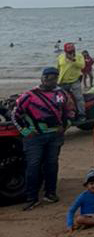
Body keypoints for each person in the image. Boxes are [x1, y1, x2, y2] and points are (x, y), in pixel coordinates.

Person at [12, 67, 72, 210]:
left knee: (52, 164)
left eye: (52, 78)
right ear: (42, 78)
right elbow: (15, 114)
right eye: (47, 78)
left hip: (54, 136)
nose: (49, 81)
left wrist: (65, 126)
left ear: (56, 79)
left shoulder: (61, 94)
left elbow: (69, 111)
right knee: (33, 166)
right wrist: (25, 131)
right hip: (35, 137)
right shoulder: (28, 96)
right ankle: (31, 197)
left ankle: (50, 193)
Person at [57, 42, 86, 118]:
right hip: (62, 81)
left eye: (72, 47)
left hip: (74, 81)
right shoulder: (61, 56)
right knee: (60, 99)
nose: (71, 49)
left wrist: (73, 60)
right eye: (69, 48)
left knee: (78, 97)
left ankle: (82, 114)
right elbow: (58, 68)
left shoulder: (79, 56)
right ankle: (61, 114)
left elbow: (82, 66)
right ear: (65, 50)